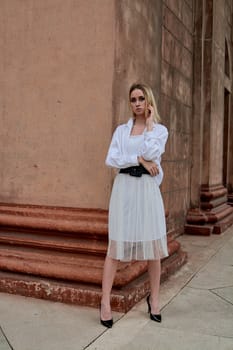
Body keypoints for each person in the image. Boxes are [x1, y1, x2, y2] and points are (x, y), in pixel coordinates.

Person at [100, 83, 169, 328]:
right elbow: (112, 159)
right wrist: (138, 158)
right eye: (133, 99)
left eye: (141, 98)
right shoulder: (121, 131)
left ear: (148, 101)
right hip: (124, 189)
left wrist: (149, 127)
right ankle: (105, 302)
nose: (137, 103)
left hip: (147, 190)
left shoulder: (159, 130)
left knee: (152, 248)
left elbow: (153, 152)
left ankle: (156, 299)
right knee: (115, 246)